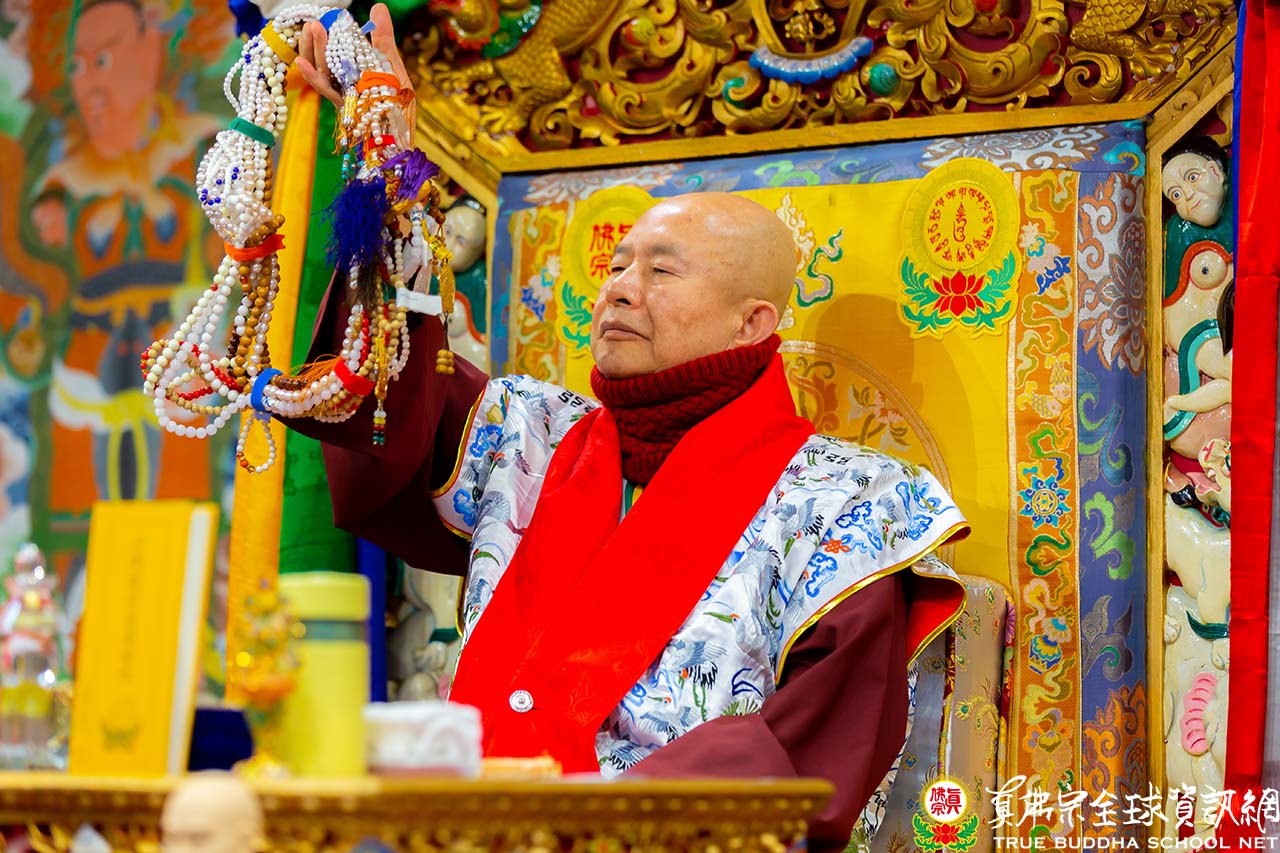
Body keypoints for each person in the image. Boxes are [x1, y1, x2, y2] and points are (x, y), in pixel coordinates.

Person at [288, 8, 969, 849]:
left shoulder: (850, 507)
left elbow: (809, 762)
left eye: (661, 270)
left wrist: (569, 826)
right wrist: (386, 167)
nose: (617, 287)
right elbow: (383, 402)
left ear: (752, 322)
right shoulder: (531, 434)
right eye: (615, 265)